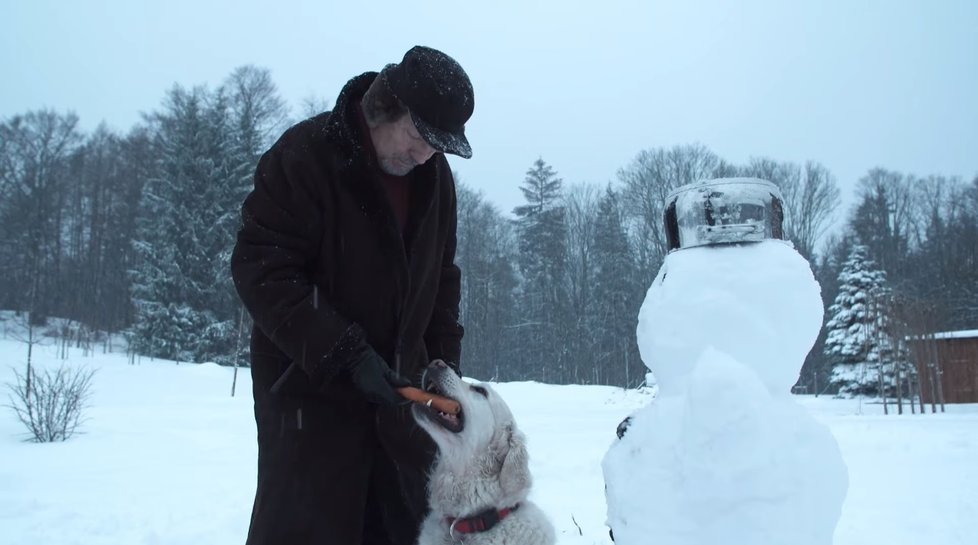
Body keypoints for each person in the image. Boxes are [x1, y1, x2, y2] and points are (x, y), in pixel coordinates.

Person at [230, 45, 473, 545]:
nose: (425, 154)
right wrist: (343, 352)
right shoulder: (305, 156)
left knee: (396, 528)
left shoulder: (434, 181)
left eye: (438, 146)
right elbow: (262, 268)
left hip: (403, 409)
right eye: (419, 136)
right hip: (309, 404)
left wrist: (445, 372)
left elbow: (442, 280)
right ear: (387, 106)